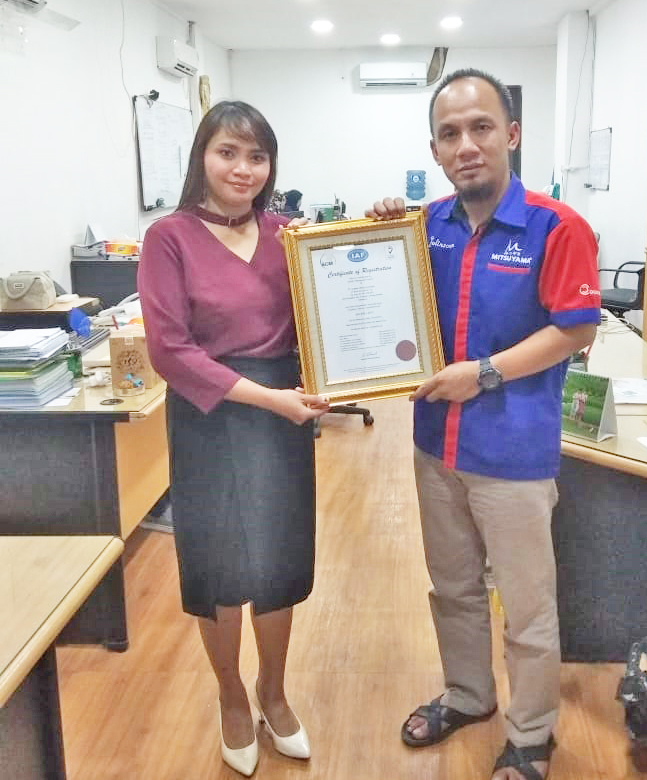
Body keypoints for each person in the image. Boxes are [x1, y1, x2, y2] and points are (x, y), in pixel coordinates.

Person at [367, 69, 600, 780]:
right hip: (435, 445)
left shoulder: (557, 227)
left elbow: (576, 329)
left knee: (526, 606)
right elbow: (382, 300)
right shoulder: (424, 226)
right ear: (435, 150)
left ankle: (530, 735)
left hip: (513, 452)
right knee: (454, 587)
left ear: (511, 135)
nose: (466, 145)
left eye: (481, 128)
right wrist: (375, 234)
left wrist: (486, 372)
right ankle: (469, 695)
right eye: (450, 134)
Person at [137, 100, 329, 777]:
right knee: (218, 564)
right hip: (211, 413)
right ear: (202, 157)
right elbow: (170, 351)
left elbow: (325, 320)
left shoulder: (291, 236)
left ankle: (274, 691)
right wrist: (269, 399)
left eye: (257, 156)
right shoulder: (168, 237)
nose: (243, 168)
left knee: (278, 559)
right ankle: (231, 696)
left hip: (283, 415)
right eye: (228, 152)